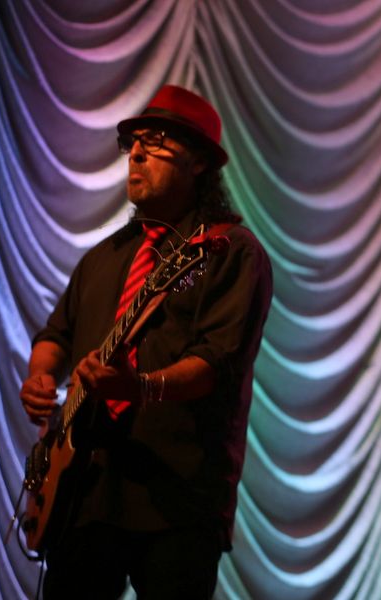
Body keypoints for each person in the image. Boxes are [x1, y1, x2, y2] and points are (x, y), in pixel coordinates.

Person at [19, 85, 273, 599]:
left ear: (198, 161)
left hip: (176, 496)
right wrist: (40, 376)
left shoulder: (227, 251)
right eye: (132, 142)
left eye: (154, 141)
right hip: (84, 493)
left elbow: (215, 363)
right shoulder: (103, 256)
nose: (135, 153)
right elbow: (55, 336)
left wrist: (140, 387)